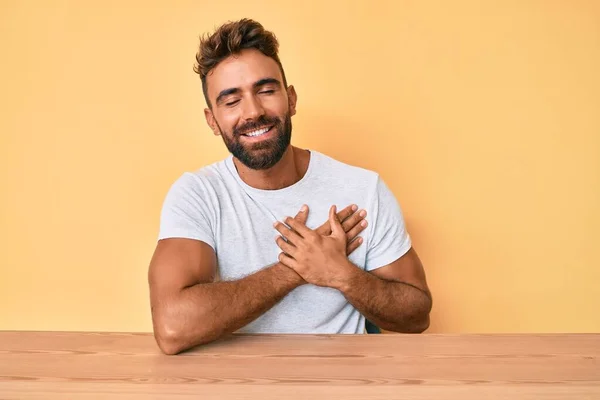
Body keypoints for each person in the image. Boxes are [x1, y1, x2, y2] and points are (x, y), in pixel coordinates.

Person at [148, 18, 432, 355]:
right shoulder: (198, 195)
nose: (253, 112)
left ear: (291, 99)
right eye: (231, 100)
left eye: (266, 91)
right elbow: (172, 327)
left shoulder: (362, 188)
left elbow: (417, 315)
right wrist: (294, 269)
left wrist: (342, 275)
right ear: (212, 121)